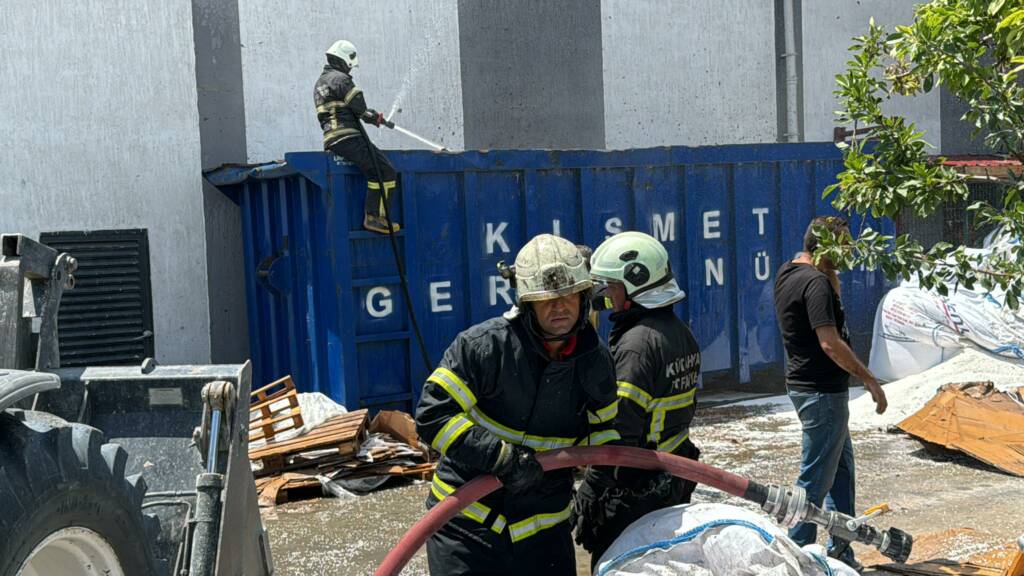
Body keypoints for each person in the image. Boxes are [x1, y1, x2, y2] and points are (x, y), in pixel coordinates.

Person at [415, 234, 620, 575]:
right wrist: (502, 458)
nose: (559, 306)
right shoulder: (484, 348)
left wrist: (600, 492)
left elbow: (605, 438)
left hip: (544, 532)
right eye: (545, 298)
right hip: (466, 527)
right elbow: (433, 416)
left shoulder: (595, 361)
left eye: (569, 294)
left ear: (584, 297)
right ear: (526, 303)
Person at [571, 231, 703, 569]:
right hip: (671, 475)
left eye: (611, 286)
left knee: (622, 566)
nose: (606, 294)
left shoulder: (637, 345)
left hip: (636, 488)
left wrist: (594, 488)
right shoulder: (675, 330)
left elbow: (621, 429)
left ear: (635, 287)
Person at [773, 215, 888, 570]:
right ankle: (793, 557)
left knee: (841, 474)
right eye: (844, 245)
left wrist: (829, 271)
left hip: (813, 389)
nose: (850, 252)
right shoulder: (814, 284)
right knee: (814, 482)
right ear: (826, 246)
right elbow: (829, 343)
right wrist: (869, 379)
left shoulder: (790, 273)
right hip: (822, 394)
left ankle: (842, 550)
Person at [313, 39, 399, 234]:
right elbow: (361, 111)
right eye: (349, 66)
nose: (350, 71)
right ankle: (375, 218)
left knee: (376, 169)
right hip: (348, 137)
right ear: (344, 60)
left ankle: (374, 216)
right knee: (385, 172)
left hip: (332, 138)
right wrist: (375, 117)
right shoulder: (342, 79)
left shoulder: (320, 82)